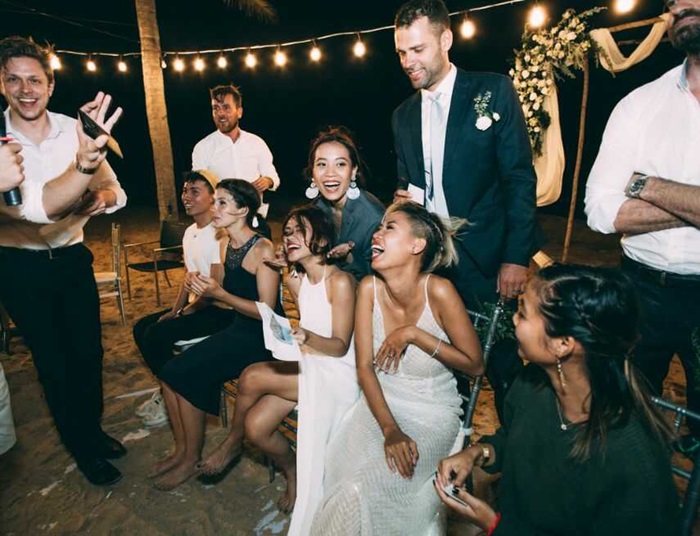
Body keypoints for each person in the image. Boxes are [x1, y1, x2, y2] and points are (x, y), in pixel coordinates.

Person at [436, 264, 679, 535]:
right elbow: (515, 437)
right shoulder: (531, 385)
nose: (514, 320)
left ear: (563, 344)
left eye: (523, 314)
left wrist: (495, 525)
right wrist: (477, 453)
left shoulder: (631, 456)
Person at [391, 0, 539, 421]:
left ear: (446, 39)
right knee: (441, 362)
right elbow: (408, 185)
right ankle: (451, 439)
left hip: (487, 261)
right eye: (401, 52)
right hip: (430, 263)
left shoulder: (492, 91)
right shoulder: (402, 116)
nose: (408, 62)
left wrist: (516, 257)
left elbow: (518, 179)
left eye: (417, 49)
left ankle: (513, 445)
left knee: (503, 365)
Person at [310, 202, 484, 535]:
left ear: (416, 245)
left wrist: (414, 334)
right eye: (379, 227)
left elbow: (475, 365)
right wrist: (390, 429)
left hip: (431, 415)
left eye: (389, 227)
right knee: (342, 475)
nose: (377, 233)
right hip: (379, 406)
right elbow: (364, 368)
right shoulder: (368, 288)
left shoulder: (439, 291)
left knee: (364, 488)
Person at [0, 36, 127, 486]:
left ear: (50, 85)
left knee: (89, 353)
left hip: (73, 259)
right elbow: (33, 211)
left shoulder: (76, 128)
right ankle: (81, 447)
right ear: (1, 83)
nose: (26, 90)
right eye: (14, 79)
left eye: (35, 80)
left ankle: (92, 431)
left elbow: (116, 190)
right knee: (53, 361)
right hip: (19, 267)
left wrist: (101, 199)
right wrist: (82, 168)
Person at [198, 205, 359, 534]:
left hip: (338, 372)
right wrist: (294, 336)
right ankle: (293, 472)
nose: (290, 238)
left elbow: (341, 345)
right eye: (287, 232)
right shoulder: (296, 280)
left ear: (322, 239)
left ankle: (231, 444)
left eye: (300, 231)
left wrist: (305, 336)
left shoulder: (340, 281)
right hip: (311, 361)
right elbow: (305, 322)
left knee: (252, 376)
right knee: (257, 427)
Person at [584, 0, 700, 446]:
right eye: (670, 2)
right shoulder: (640, 103)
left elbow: (623, 196)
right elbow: (600, 210)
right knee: (626, 418)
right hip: (640, 290)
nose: (677, 7)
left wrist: (645, 185)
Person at [152, 179, 280, 490]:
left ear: (243, 210)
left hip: (264, 339)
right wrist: (197, 286)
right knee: (169, 372)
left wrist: (220, 295)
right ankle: (182, 450)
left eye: (222, 203)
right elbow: (218, 288)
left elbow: (269, 312)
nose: (215, 209)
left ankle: (190, 459)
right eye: (215, 202)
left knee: (186, 374)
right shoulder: (225, 244)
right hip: (237, 328)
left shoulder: (263, 249)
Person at [132, 170, 227, 428]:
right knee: (141, 327)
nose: (187, 197)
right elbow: (189, 277)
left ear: (213, 197)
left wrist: (185, 312)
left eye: (195, 191)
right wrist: (175, 310)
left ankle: (178, 391)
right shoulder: (189, 232)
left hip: (219, 310)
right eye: (185, 190)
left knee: (155, 335)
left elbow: (215, 287)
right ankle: (172, 389)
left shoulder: (219, 234)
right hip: (197, 306)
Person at [192, 84, 280, 236]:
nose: (220, 113)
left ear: (239, 112)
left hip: (255, 222)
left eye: (226, 107)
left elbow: (273, 176)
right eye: (215, 108)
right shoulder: (203, 147)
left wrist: (268, 181)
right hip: (221, 226)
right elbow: (198, 189)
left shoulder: (256, 142)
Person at [303, 126, 386, 280]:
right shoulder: (315, 210)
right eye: (322, 164)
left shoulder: (372, 217)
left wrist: (349, 258)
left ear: (353, 171)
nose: (330, 173)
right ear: (312, 173)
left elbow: (380, 279)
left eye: (340, 164)